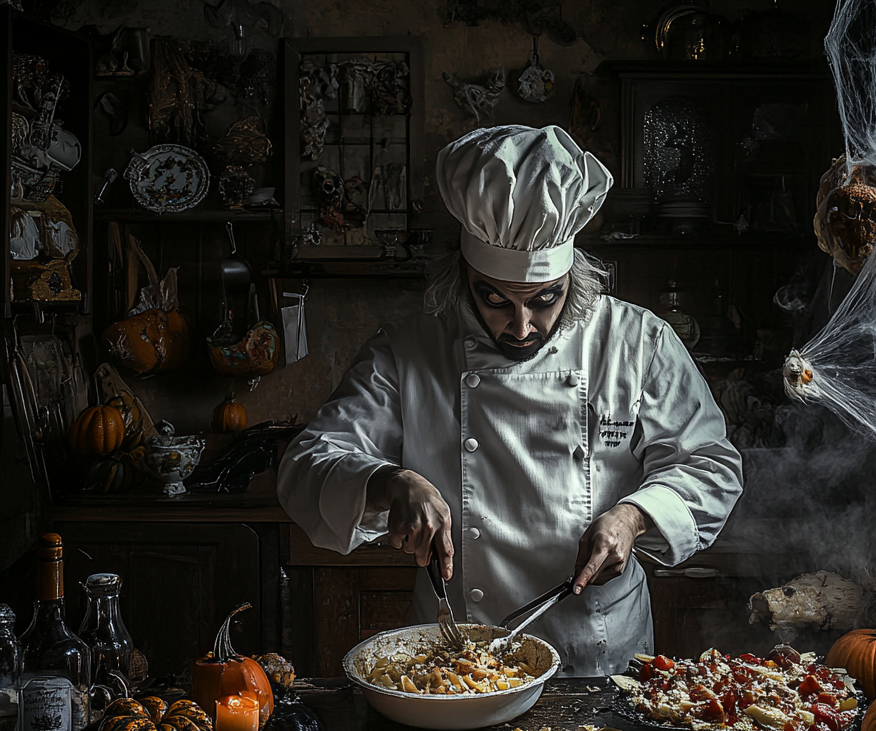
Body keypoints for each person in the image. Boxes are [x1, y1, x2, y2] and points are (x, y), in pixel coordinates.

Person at [278, 124, 743, 676]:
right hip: (453, 659)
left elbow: (710, 465)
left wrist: (634, 517)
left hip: (598, 653)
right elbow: (306, 467)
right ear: (462, 275)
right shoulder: (408, 351)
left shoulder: (636, 341)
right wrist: (388, 482)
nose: (522, 326)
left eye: (545, 299)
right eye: (494, 299)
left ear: (575, 277)